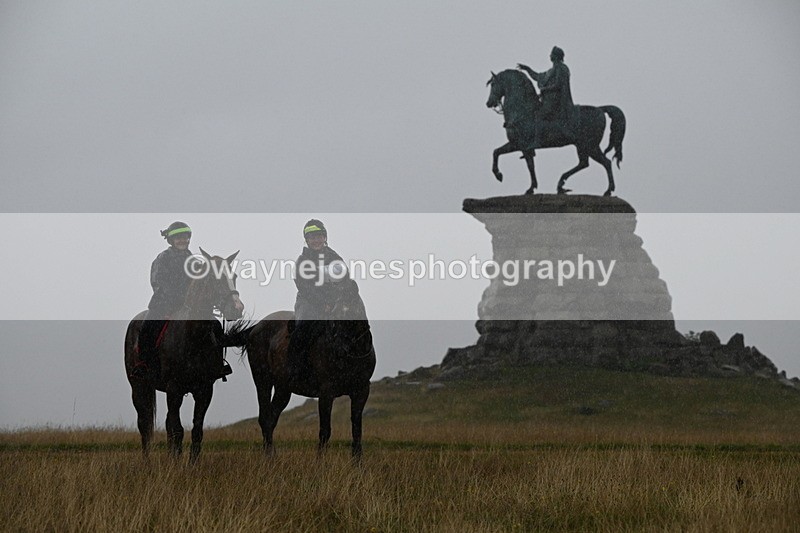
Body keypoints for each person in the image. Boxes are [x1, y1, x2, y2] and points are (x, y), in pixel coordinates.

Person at [130, 221, 234, 380]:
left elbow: (202, 284)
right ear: (171, 240)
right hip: (163, 305)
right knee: (148, 328)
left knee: (216, 325)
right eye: (178, 237)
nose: (182, 240)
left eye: (185, 237)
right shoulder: (163, 258)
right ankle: (143, 364)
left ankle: (218, 364)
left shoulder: (193, 261)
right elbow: (157, 282)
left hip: (189, 307)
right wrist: (173, 301)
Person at [286, 219, 357, 382]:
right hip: (308, 303)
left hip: (334, 301)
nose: (316, 240)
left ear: (325, 237)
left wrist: (347, 294)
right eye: (312, 237)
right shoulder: (302, 261)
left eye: (318, 236)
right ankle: (295, 366)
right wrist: (321, 304)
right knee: (303, 327)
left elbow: (344, 278)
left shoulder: (334, 257)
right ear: (307, 240)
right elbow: (304, 287)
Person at [517, 46, 575, 144]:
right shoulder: (552, 70)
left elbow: (558, 85)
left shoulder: (561, 68)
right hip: (549, 100)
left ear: (556, 56)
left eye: (551, 54)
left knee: (539, 115)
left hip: (557, 101)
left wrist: (544, 90)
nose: (550, 56)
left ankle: (538, 141)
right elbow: (538, 77)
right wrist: (527, 69)